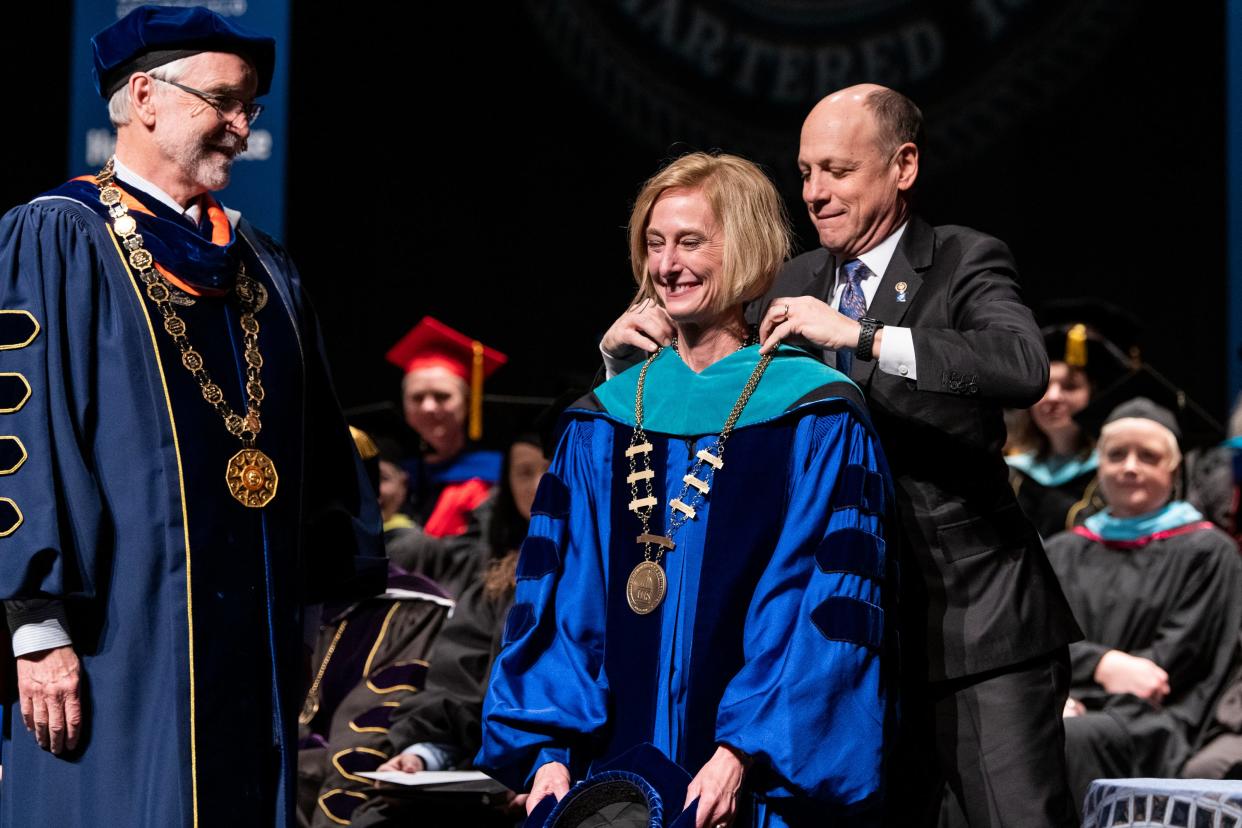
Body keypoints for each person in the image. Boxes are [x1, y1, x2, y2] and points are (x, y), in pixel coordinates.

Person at [601, 84, 1080, 828]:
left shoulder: (962, 259)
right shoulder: (790, 281)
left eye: (837, 171)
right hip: (846, 652)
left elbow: (1021, 366)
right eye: (804, 173)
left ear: (904, 166)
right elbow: (720, 404)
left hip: (977, 636)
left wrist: (860, 336)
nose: (815, 194)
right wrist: (622, 372)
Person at [0, 7, 383, 826]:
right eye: (225, 101)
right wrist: (37, 627)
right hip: (118, 644)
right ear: (145, 95)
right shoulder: (61, 239)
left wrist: (317, 593)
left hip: (256, 648)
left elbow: (315, 444)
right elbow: (24, 439)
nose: (243, 127)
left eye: (252, 107)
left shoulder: (263, 266)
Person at [481, 152, 893, 828]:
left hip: (750, 780)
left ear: (749, 247)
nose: (668, 265)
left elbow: (817, 606)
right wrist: (549, 750)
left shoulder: (816, 415)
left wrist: (741, 752)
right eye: (655, 243)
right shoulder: (602, 419)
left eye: (691, 242)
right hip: (608, 782)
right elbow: (561, 599)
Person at [1046, 397, 1242, 810]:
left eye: (1148, 456)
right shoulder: (1063, 551)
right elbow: (1039, 638)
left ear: (1172, 470)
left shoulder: (1207, 551)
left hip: (1159, 718)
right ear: (1099, 466)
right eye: (1116, 455)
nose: (1129, 467)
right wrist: (1095, 670)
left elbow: (1180, 657)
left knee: (1070, 736)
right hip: (1069, 702)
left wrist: (1089, 684)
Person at [345, 434, 551, 827]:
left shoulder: (618, 575)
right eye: (524, 472)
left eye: (551, 467)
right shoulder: (500, 582)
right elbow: (455, 685)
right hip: (486, 779)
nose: (540, 483)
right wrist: (422, 754)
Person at [1005, 310, 1132, 538]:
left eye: (1070, 386)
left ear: (1093, 397)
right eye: (1044, 386)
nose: (1053, 397)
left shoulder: (1114, 473)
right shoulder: (1010, 473)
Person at [384, 316, 508, 538]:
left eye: (442, 396)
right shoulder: (392, 476)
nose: (428, 407)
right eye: (417, 397)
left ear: (469, 402)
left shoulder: (493, 475)